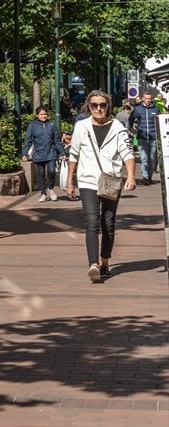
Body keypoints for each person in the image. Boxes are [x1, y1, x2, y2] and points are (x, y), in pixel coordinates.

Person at [65, 90, 136, 283]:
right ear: (89, 107)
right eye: (94, 105)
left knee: (108, 224)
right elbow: (74, 154)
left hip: (111, 181)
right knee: (91, 222)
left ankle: (105, 262)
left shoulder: (118, 128)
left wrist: (130, 176)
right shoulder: (81, 126)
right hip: (87, 181)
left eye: (102, 105)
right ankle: (93, 264)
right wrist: (70, 181)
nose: (98, 109)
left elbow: (127, 153)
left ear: (108, 107)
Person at [22, 105, 65, 201]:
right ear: (37, 115)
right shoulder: (32, 125)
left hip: (51, 152)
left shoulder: (52, 125)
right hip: (39, 153)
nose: (44, 116)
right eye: (41, 114)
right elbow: (28, 140)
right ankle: (43, 193)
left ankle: (51, 188)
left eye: (45, 114)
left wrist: (62, 152)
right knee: (41, 173)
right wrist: (24, 154)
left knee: (51, 171)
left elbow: (57, 140)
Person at [128, 91, 159, 185]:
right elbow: (131, 118)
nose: (148, 100)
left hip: (154, 137)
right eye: (146, 98)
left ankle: (149, 176)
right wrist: (131, 128)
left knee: (152, 158)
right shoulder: (138, 109)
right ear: (142, 99)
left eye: (149, 98)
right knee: (144, 158)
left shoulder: (156, 110)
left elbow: (160, 121)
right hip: (142, 137)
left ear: (151, 99)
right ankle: (145, 177)